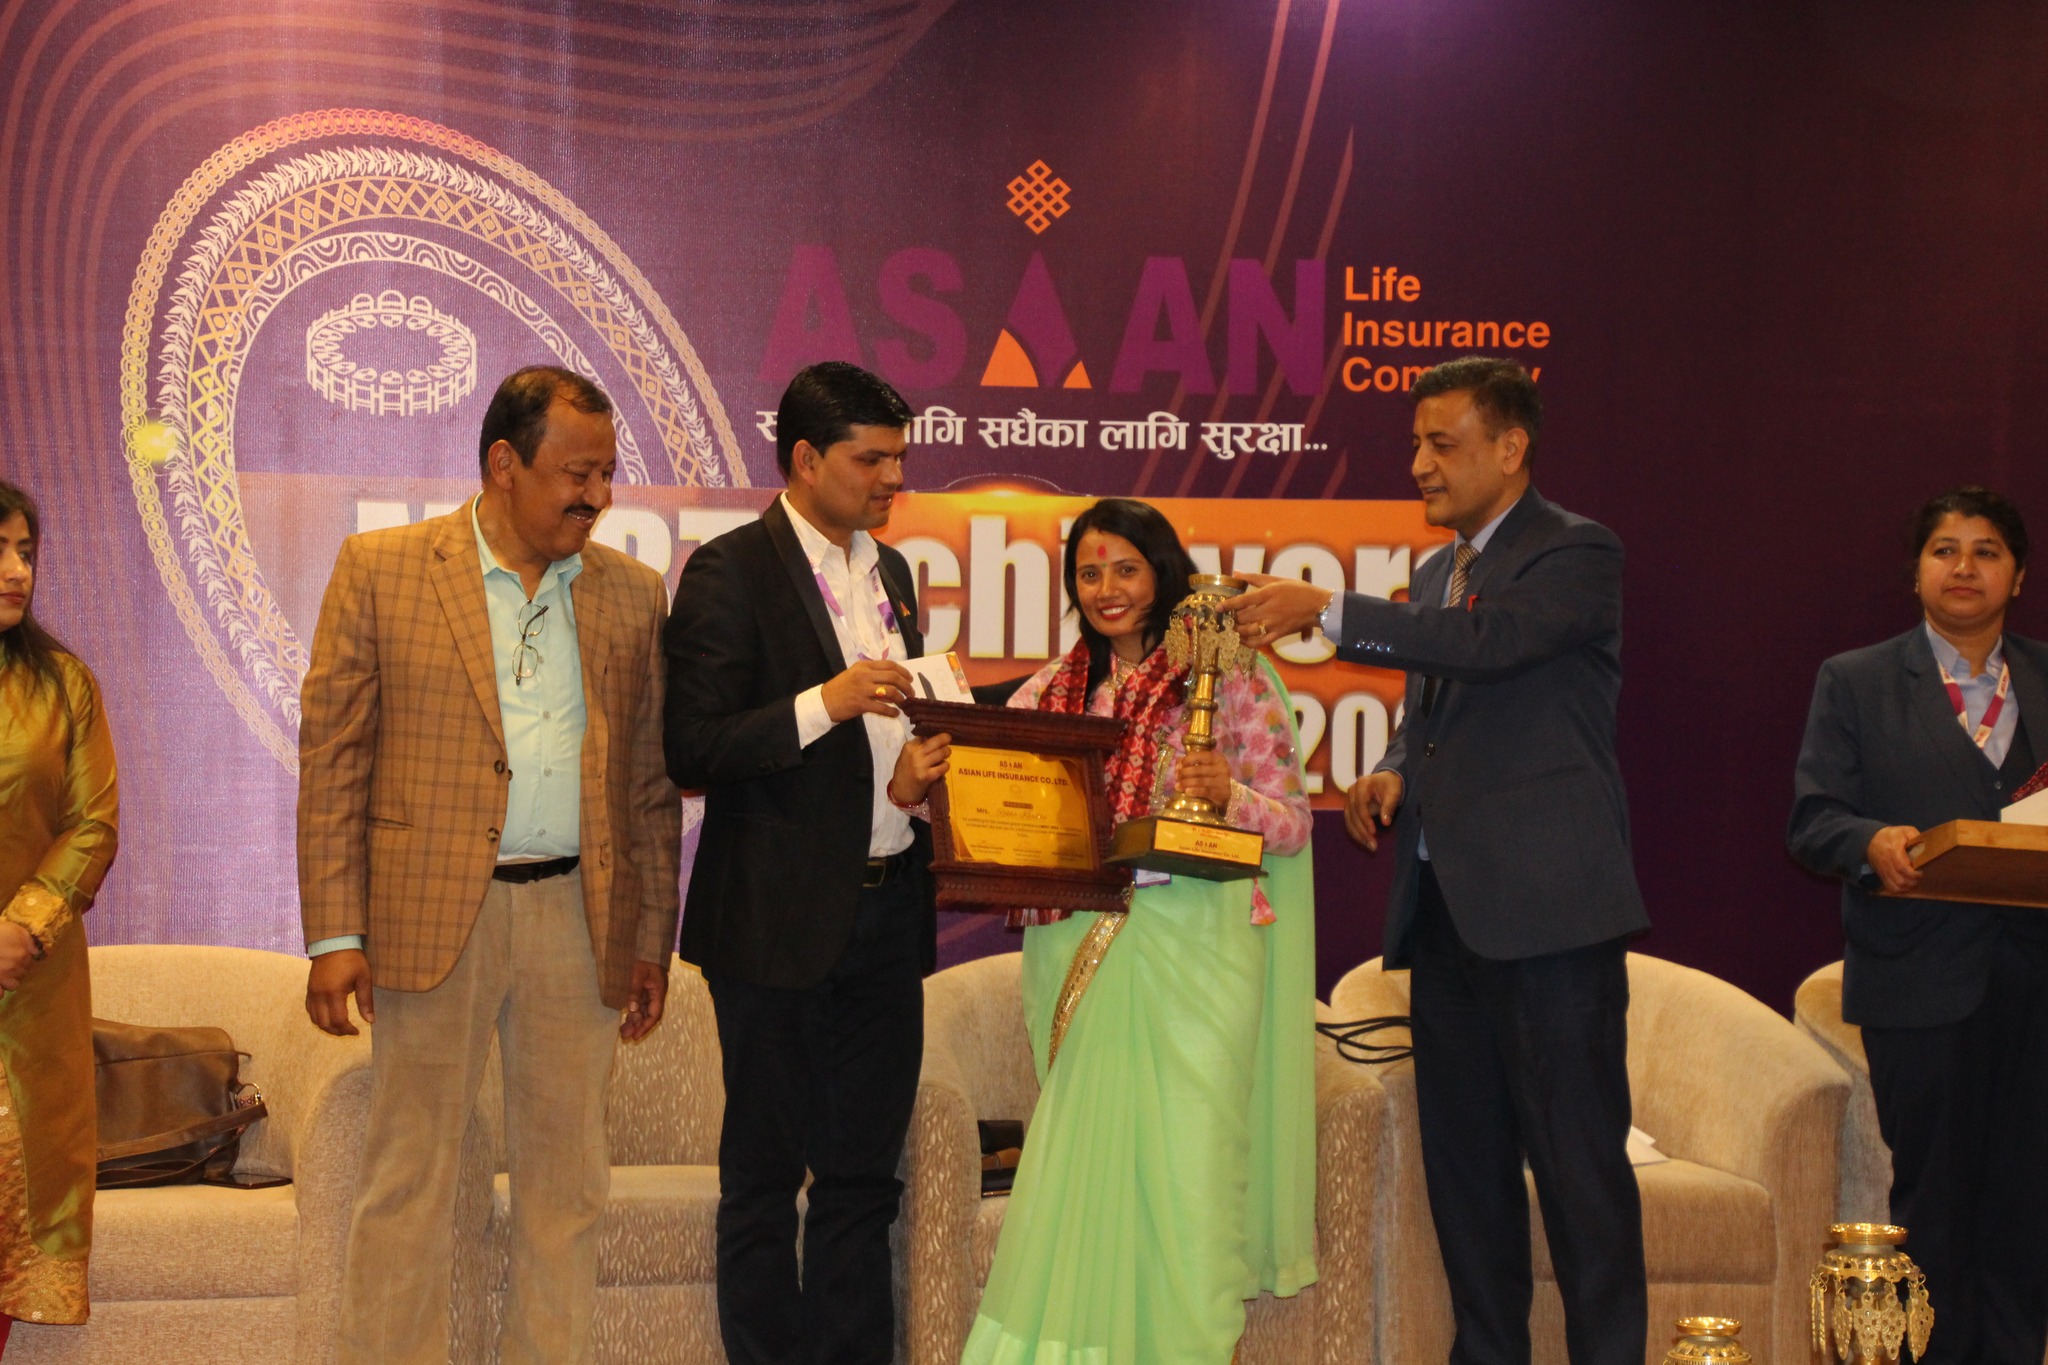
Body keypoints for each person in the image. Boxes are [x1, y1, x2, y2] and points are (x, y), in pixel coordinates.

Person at [1231, 356, 1649, 1365]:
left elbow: (1490, 644)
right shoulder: (1435, 571)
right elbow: (1436, 706)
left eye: (1441, 444)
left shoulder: (1575, 551)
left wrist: (1326, 610)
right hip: (1445, 918)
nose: (1419, 463)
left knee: (1580, 1175)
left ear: (1509, 450)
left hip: (1548, 921)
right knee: (1464, 1177)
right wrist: (1389, 769)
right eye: (1415, 444)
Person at [297, 366, 680, 1365]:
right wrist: (335, 934)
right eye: (576, 473)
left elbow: (647, 784)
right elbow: (334, 760)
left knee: (569, 1186)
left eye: (606, 473)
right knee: (410, 1182)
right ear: (504, 465)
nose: (597, 495)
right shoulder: (382, 568)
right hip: (430, 917)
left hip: (578, 916)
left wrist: (650, 937)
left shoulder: (632, 593)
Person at [910, 497, 1318, 1365]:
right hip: (1078, 943)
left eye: (1125, 568)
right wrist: (927, 782)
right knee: (1086, 1165)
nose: (1106, 589)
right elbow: (988, 798)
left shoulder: (1231, 678)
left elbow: (1291, 825)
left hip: (1200, 951)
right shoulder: (1051, 693)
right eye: (1089, 573)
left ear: (1162, 574)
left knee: (1192, 1168)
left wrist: (1229, 794)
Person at [664, 361, 945, 1365]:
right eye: (871, 460)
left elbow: (877, 746)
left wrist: (906, 785)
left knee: (863, 1183)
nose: (891, 479)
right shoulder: (728, 570)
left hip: (887, 911)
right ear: (805, 460)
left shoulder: (893, 573)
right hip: (773, 922)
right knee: (763, 1179)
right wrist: (825, 702)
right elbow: (692, 748)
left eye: (898, 459)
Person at [1787, 486, 2048, 1365]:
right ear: (1917, 571)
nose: (1964, 566)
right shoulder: (1856, 679)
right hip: (1920, 983)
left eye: (1987, 551)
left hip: (2036, 982)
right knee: (1933, 1209)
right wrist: (1870, 842)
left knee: (2027, 1209)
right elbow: (1814, 820)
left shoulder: (2045, 677)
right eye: (1945, 549)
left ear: (2018, 576)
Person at [0, 481, 118, 1355]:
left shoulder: (63, 684)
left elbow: (93, 823)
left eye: (26, 552)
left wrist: (22, 927)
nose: (16, 570)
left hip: (28, 983)